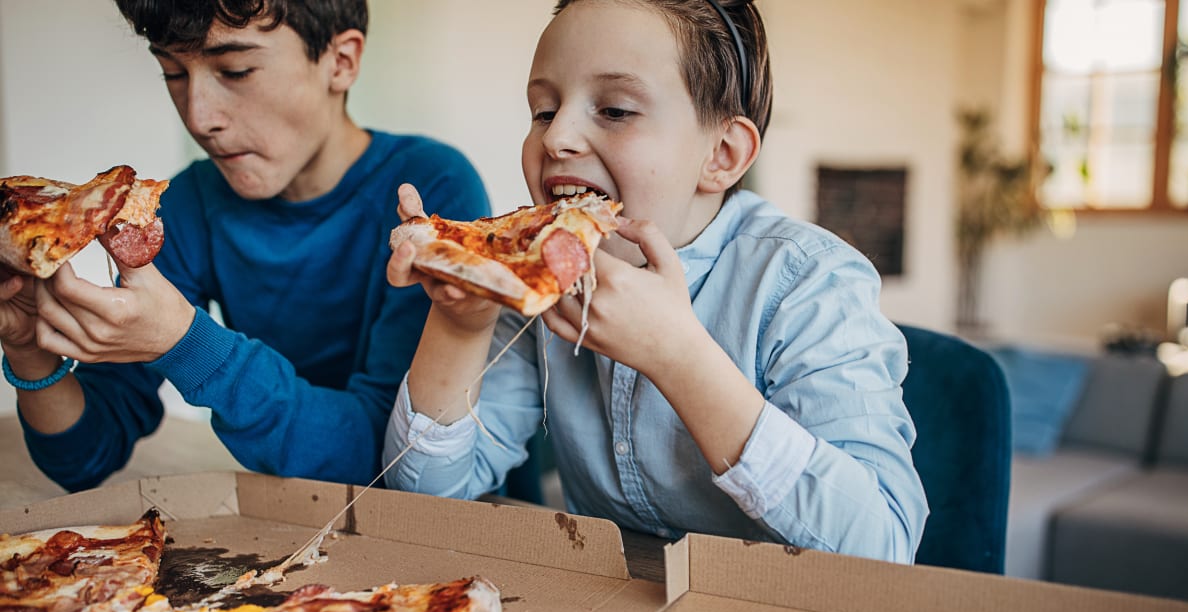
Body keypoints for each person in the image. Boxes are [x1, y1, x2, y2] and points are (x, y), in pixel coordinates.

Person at [382, 0, 929, 562]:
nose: (556, 138)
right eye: (543, 111)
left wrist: (678, 356)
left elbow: (883, 548)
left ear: (721, 154)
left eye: (616, 110)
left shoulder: (810, 282)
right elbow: (420, 500)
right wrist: (462, 321)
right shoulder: (538, 274)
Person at [0, 0, 489, 492]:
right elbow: (86, 457)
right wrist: (27, 348)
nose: (199, 117)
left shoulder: (431, 192)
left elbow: (390, 461)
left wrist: (185, 342)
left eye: (235, 71)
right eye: (172, 72)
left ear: (341, 62)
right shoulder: (188, 206)